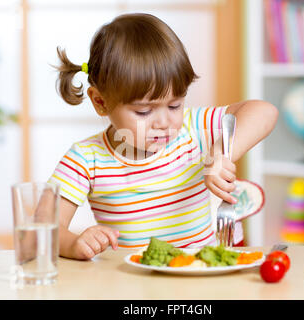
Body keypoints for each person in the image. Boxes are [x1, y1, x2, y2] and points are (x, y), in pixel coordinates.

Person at [49, 13, 278, 260]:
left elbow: (264, 112)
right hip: (134, 284)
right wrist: (73, 244)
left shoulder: (192, 129)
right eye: (144, 111)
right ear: (100, 102)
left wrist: (221, 153)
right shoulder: (86, 159)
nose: (164, 122)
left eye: (174, 105)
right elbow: (43, 228)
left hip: (201, 275)